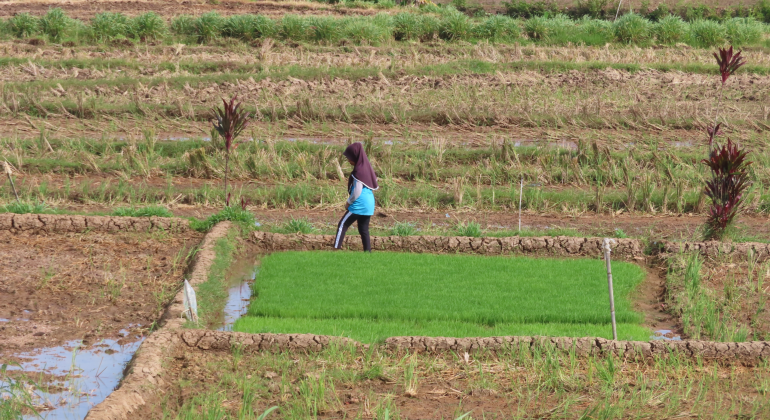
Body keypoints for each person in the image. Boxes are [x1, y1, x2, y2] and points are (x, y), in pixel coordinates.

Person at [334, 142, 378, 252]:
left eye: (349, 158)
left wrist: (349, 202)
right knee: (363, 229)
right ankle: (368, 252)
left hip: (359, 203)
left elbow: (357, 191)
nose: (348, 160)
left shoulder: (359, 172)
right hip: (369, 204)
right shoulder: (367, 169)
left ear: (356, 156)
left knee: (343, 224)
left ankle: (336, 249)